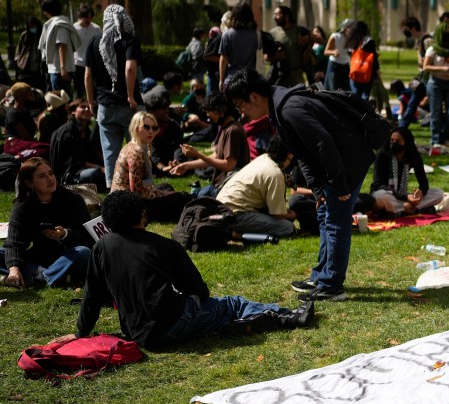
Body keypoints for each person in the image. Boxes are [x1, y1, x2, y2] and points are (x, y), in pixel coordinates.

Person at [71, 192, 314, 350]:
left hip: (138, 333)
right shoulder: (165, 246)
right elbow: (199, 291)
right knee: (231, 304)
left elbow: (91, 296)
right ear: (142, 214)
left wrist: (81, 334)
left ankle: (223, 326)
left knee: (211, 314)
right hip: (172, 324)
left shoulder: (102, 247)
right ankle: (287, 315)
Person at [222, 68, 374, 302]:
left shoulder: (289, 108)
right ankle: (322, 275)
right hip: (336, 163)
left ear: (253, 97)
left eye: (240, 105)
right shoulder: (278, 106)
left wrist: (339, 185)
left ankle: (332, 285)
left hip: (347, 162)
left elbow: (323, 143)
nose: (241, 113)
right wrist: (316, 188)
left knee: (336, 221)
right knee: (324, 214)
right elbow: (301, 150)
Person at [3, 158, 92, 288]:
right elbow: (14, 242)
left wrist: (65, 234)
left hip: (67, 255)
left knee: (84, 252)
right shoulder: (22, 205)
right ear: (29, 183)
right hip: (38, 256)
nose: (50, 179)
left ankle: (40, 277)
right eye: (42, 176)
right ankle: (51, 274)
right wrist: (14, 267)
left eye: (51, 173)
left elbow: (88, 238)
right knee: (5, 255)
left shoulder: (72, 199)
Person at [85, 4, 142, 187]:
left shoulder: (94, 42)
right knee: (138, 149)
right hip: (129, 106)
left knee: (110, 153)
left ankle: (114, 189)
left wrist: (90, 102)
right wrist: (130, 95)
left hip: (104, 106)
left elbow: (87, 75)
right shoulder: (129, 40)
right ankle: (141, 187)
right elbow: (130, 68)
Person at [111, 111, 190, 223]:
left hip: (126, 200)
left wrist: (160, 192)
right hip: (129, 207)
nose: (151, 131)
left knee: (166, 186)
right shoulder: (136, 152)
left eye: (154, 128)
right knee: (183, 197)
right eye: (146, 127)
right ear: (136, 128)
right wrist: (160, 194)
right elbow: (136, 192)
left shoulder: (138, 145)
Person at [169, 92, 251, 196]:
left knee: (190, 198)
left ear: (222, 110)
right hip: (219, 185)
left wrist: (198, 154)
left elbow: (229, 165)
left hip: (227, 189)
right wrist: (186, 166)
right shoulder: (225, 127)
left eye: (209, 111)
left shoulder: (232, 131)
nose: (208, 115)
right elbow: (216, 156)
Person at [216, 135, 297, 239]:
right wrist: (293, 215)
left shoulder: (264, 158)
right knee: (288, 227)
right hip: (235, 216)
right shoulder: (275, 173)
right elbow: (278, 215)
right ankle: (236, 234)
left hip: (222, 208)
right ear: (289, 154)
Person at [369, 125, 442, 216]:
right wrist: (406, 197)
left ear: (406, 143)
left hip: (402, 196)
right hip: (385, 194)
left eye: (398, 141)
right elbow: (378, 184)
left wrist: (421, 192)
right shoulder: (383, 154)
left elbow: (423, 182)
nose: (393, 143)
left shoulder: (413, 156)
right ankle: (406, 209)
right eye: (392, 140)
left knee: (438, 193)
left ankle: (400, 209)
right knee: (381, 196)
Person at [48, 99, 105, 187]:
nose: (87, 109)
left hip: (83, 169)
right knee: (95, 173)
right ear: (73, 111)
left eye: (89, 107)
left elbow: (92, 152)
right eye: (82, 107)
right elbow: (74, 161)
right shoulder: (68, 132)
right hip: (69, 174)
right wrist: (99, 168)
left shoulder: (86, 131)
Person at [422, 15, 449, 148]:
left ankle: (445, 136)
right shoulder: (432, 49)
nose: (448, 36)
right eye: (446, 34)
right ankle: (436, 140)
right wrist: (441, 68)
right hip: (435, 84)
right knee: (436, 113)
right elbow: (425, 67)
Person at [39, 0, 81, 96]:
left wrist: (62, 68)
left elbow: (62, 45)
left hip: (60, 70)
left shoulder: (60, 25)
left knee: (60, 100)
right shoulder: (58, 23)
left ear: (47, 11)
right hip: (57, 69)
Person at [218, 2, 260, 88]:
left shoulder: (227, 35)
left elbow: (223, 60)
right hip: (250, 80)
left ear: (234, 16)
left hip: (231, 80)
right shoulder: (257, 34)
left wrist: (221, 80)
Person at [267, 5, 307, 87]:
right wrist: (276, 56)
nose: (275, 17)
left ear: (286, 16)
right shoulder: (272, 33)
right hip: (280, 75)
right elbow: (265, 57)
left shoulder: (299, 30)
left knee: (300, 97)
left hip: (297, 74)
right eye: (274, 14)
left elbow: (316, 39)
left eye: (277, 14)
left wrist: (306, 39)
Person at [72, 6, 100, 100]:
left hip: (93, 64)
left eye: (90, 17)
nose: (89, 20)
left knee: (94, 90)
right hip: (78, 64)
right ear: (80, 17)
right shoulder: (73, 29)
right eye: (86, 18)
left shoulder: (96, 29)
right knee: (78, 90)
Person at [323, 19, 353, 91]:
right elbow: (326, 52)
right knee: (333, 90)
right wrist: (333, 52)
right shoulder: (335, 36)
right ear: (345, 28)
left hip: (345, 66)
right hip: (334, 66)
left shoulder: (353, 39)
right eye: (350, 28)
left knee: (347, 91)